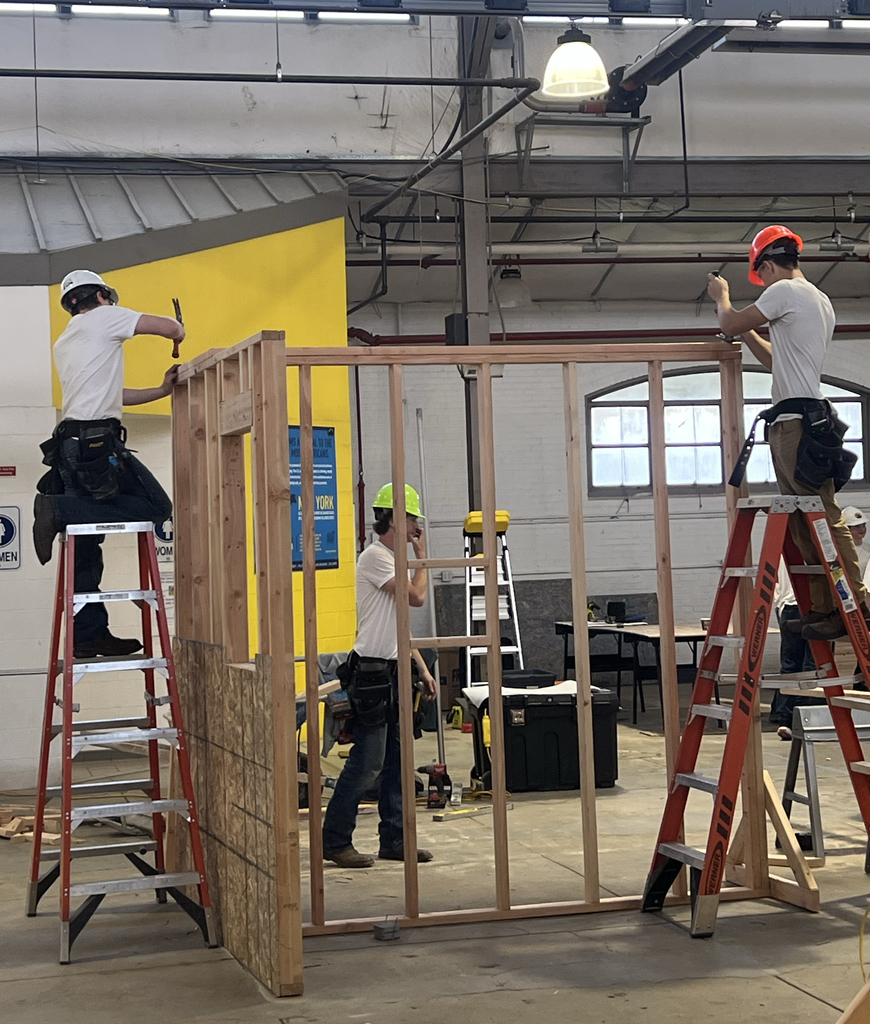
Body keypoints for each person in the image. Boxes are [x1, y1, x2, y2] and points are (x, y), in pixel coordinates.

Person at [707, 225, 869, 642]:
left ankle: (859, 603)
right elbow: (773, 358)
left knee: (821, 516)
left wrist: (722, 296)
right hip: (801, 416)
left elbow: (727, 322)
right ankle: (826, 609)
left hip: (797, 422)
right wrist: (746, 328)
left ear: (765, 265)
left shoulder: (785, 292)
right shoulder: (817, 300)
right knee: (804, 518)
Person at [33, 269, 183, 659]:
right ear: (100, 295)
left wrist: (162, 391)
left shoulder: (68, 340)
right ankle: (58, 509)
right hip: (96, 442)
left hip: (69, 442)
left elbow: (114, 394)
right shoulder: (105, 316)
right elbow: (166, 327)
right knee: (157, 506)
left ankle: (89, 634)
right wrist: (178, 330)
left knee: (85, 544)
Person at [322, 482, 438, 869]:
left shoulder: (392, 560)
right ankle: (336, 840)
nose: (415, 527)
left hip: (393, 670)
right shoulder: (376, 557)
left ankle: (395, 841)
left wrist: (421, 668)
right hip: (372, 673)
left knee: (398, 761)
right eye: (410, 519)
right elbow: (416, 598)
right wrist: (422, 558)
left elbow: (399, 624)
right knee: (367, 762)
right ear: (392, 518)